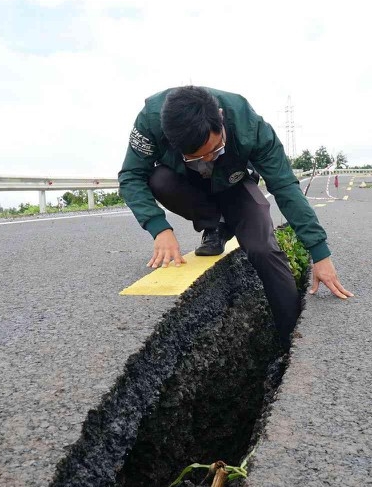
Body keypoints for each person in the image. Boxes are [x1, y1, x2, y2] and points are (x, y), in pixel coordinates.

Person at [118, 86, 352, 339]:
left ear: (220, 117)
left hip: (235, 184)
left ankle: (290, 336)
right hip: (187, 186)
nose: (208, 160)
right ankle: (217, 223)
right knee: (159, 179)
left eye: (215, 149)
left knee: (262, 247)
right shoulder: (151, 120)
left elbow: (284, 186)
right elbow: (131, 176)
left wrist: (319, 253)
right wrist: (159, 228)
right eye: (197, 157)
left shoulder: (249, 125)